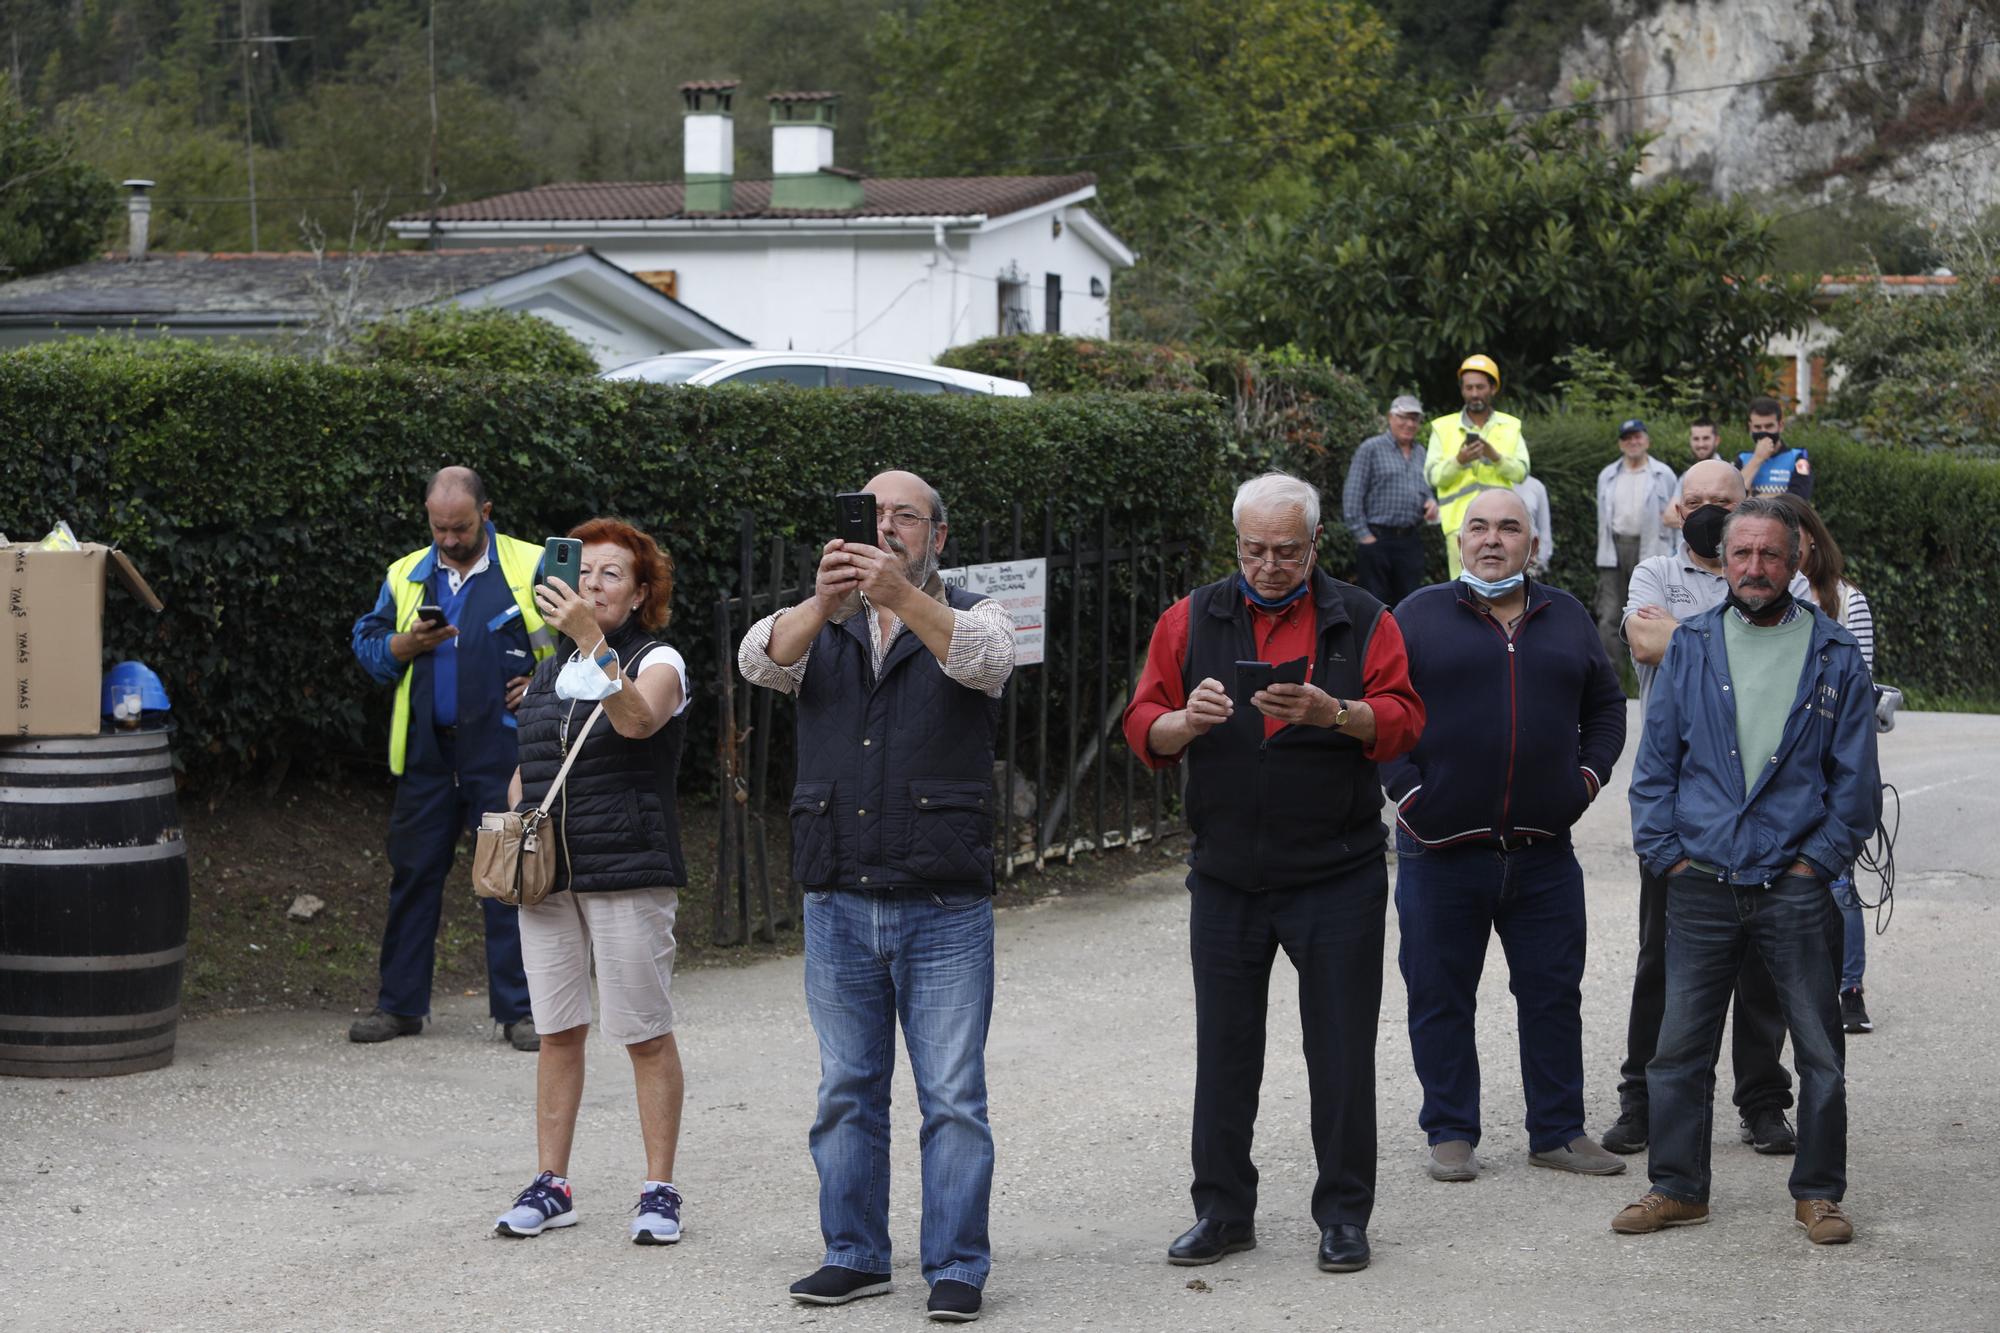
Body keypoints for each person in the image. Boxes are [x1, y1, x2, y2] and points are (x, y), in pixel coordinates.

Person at [1121, 472, 1425, 1276]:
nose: (1268, 566)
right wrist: (1185, 722)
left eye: (1286, 551)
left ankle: (1344, 1216)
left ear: (1314, 545)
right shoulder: (1191, 617)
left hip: (1338, 871)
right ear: (1237, 545)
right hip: (1226, 873)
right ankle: (1222, 1211)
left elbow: (1403, 720)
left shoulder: (1363, 618)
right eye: (1254, 550)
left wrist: (1335, 711)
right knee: (1224, 1050)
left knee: (1340, 1051)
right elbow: (1141, 723)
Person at [738, 470, 1016, 1324]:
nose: (887, 527)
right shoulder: (821, 618)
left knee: (953, 1097)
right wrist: (826, 605)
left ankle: (957, 1264)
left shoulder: (976, 610)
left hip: (944, 901)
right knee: (847, 1089)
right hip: (839, 894)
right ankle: (854, 1253)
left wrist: (901, 597)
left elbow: (987, 661)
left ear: (939, 533)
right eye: (874, 514)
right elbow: (758, 660)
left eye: (905, 516)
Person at [1615, 497, 1881, 1245]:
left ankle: (1819, 1193)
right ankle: (1677, 1186)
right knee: (1677, 1049)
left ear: (1796, 561)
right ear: (1721, 561)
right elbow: (1655, 768)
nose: (1755, 567)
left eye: (1770, 554)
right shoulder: (1692, 645)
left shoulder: (1834, 654)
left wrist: (1813, 865)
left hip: (1793, 886)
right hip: (1700, 880)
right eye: (1742, 554)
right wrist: (1669, 856)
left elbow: (1854, 786)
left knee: (1820, 1051)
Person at [1383, 490, 1628, 1183]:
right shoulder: (1416, 616)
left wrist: (1586, 778)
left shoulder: (1567, 616)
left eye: (1509, 528)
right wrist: (1406, 791)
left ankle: (1557, 1129)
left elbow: (1606, 706)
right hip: (1440, 849)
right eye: (1480, 528)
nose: (1493, 539)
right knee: (1440, 992)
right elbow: (1379, 712)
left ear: (1533, 543)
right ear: (1460, 542)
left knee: (1553, 991)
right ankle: (1451, 1130)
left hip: (1542, 850)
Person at [492, 519, 694, 1246]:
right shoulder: (547, 670)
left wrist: (592, 645)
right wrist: (512, 826)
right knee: (555, 1031)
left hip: (627, 870)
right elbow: (534, 765)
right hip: (550, 878)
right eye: (586, 572)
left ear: (641, 593)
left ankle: (659, 1189)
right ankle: (552, 1183)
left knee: (642, 1031)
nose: (594, 585)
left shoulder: (657, 657)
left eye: (613, 575)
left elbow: (639, 722)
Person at [1601, 459, 1810, 1157]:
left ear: (1747, 503)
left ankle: (1762, 1101)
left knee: (1762, 963)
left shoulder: (1782, 571)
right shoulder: (1653, 576)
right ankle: (1643, 1098)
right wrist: (1747, 634)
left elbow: (1799, 647)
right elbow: (1643, 638)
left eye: (1725, 500)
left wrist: (1687, 636)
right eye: (1697, 501)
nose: (1710, 512)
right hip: (1683, 800)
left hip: (1766, 794)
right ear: (1674, 508)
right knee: (1661, 959)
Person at [348, 467, 552, 1049]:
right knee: (413, 875)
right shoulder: (406, 574)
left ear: (486, 513)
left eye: (459, 527)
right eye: (438, 528)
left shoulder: (531, 565)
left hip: (502, 751)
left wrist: (543, 679)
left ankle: (520, 1012)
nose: (448, 540)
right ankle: (400, 1006)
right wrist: (405, 645)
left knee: (508, 878)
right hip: (429, 755)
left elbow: (582, 637)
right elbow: (369, 645)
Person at [1774, 493, 1879, 1036]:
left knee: (1837, 881)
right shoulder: (1769, 595)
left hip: (1829, 757)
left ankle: (1850, 988)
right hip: (1779, 763)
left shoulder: (1846, 599)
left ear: (1811, 538)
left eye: (1792, 535)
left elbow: (1859, 686)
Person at [1426, 354, 1529, 578]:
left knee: (1501, 585)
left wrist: (1495, 457)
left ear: (1493, 388)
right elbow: (1433, 476)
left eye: (1480, 387)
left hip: (1502, 525)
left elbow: (1521, 472)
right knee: (1462, 588)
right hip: (1459, 526)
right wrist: (1459, 461)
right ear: (1462, 390)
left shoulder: (1510, 426)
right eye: (1469, 387)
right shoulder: (1443, 427)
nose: (1474, 393)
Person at [1593, 418, 1678, 666]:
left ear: (1647, 440)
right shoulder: (1607, 475)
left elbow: (1674, 517)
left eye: (1637, 436)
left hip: (1651, 550)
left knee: (1649, 613)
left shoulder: (1664, 474)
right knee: (1609, 615)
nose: (1633, 442)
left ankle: (1649, 671)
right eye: (1627, 438)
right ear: (1621, 444)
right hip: (1613, 549)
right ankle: (1612, 677)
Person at [1342, 394, 1439, 606]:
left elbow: (1425, 490)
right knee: (1374, 607)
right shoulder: (1371, 448)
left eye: (1414, 419)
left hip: (1410, 541)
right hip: (1377, 539)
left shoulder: (1421, 453)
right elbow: (1352, 496)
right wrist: (1365, 537)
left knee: (1410, 605)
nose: (1409, 424)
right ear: (1390, 417)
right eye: (1403, 417)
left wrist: (1431, 502)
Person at [1739, 395, 1813, 498]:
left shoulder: (1799, 457)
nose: (1763, 431)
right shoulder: (1742, 458)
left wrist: (1754, 496)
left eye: (1769, 426)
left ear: (1780, 426)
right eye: (1757, 427)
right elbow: (1734, 495)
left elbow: (1799, 497)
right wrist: (1757, 459)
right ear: (1750, 427)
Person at [1513, 473, 1554, 578]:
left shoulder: (1535, 486)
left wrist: (1540, 561)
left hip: (1529, 565)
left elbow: (1544, 529)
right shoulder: (1485, 482)